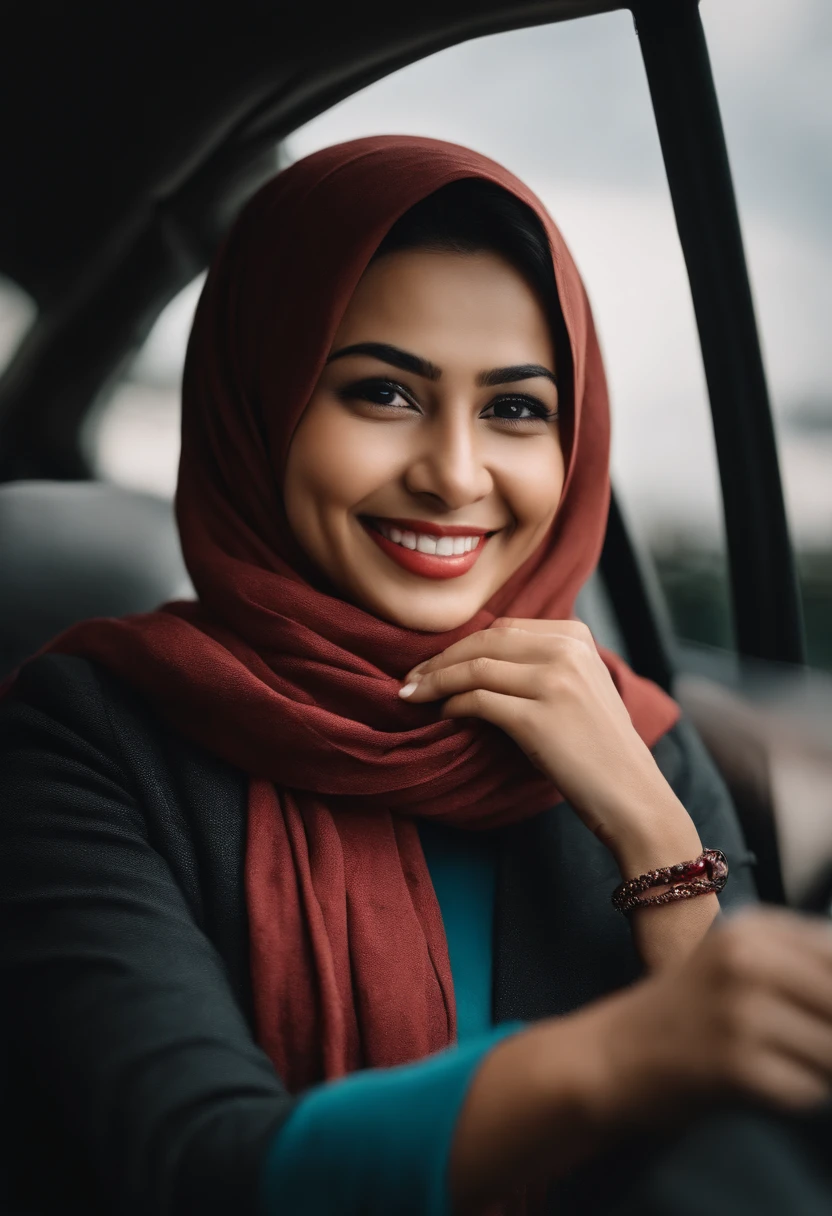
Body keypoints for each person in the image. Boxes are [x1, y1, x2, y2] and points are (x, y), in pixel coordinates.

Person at [2, 135, 832, 1216]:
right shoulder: (84, 737)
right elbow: (196, 1168)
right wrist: (619, 1055)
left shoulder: (634, 738)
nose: (452, 472)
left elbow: (771, 1133)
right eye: (384, 393)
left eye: (516, 408)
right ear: (261, 406)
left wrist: (656, 835)